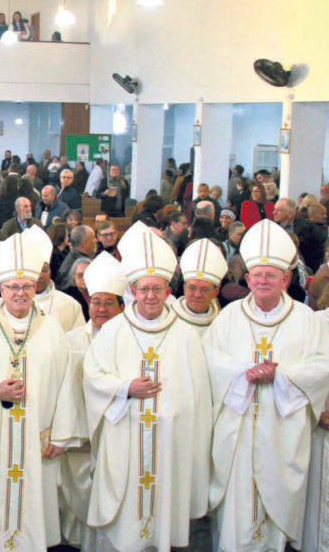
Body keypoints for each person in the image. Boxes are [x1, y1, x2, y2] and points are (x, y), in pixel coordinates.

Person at [83, 222, 212, 551]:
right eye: (144, 289)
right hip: (124, 435)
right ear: (133, 292)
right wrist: (126, 388)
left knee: (161, 514)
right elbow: (94, 377)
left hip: (170, 442)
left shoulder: (184, 335)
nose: (150, 296)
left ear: (169, 292)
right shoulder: (113, 331)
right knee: (127, 522)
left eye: (157, 289)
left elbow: (197, 396)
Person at [204, 220, 329, 551]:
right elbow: (209, 362)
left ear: (286, 279)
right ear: (246, 280)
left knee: (272, 514)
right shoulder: (228, 318)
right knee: (236, 515)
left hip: (282, 431)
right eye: (256, 275)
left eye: (271, 275)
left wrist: (281, 376)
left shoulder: (305, 319)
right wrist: (245, 371)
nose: (262, 281)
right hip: (237, 433)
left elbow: (321, 366)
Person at [0, 231, 75, 550]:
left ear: (35, 287)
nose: (20, 293)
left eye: (26, 286)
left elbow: (67, 385)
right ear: (2, 288)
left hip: (38, 435)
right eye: (13, 287)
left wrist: (61, 434)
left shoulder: (53, 330)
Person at [58, 251, 126, 550]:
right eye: (95, 301)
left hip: (117, 437)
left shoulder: (131, 343)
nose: (100, 308)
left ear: (122, 306)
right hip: (79, 440)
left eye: (108, 302)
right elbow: (63, 392)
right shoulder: (72, 340)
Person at [171, 237, 227, 335]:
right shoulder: (169, 318)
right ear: (184, 288)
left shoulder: (222, 322)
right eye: (192, 288)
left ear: (215, 293)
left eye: (205, 289)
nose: (197, 295)